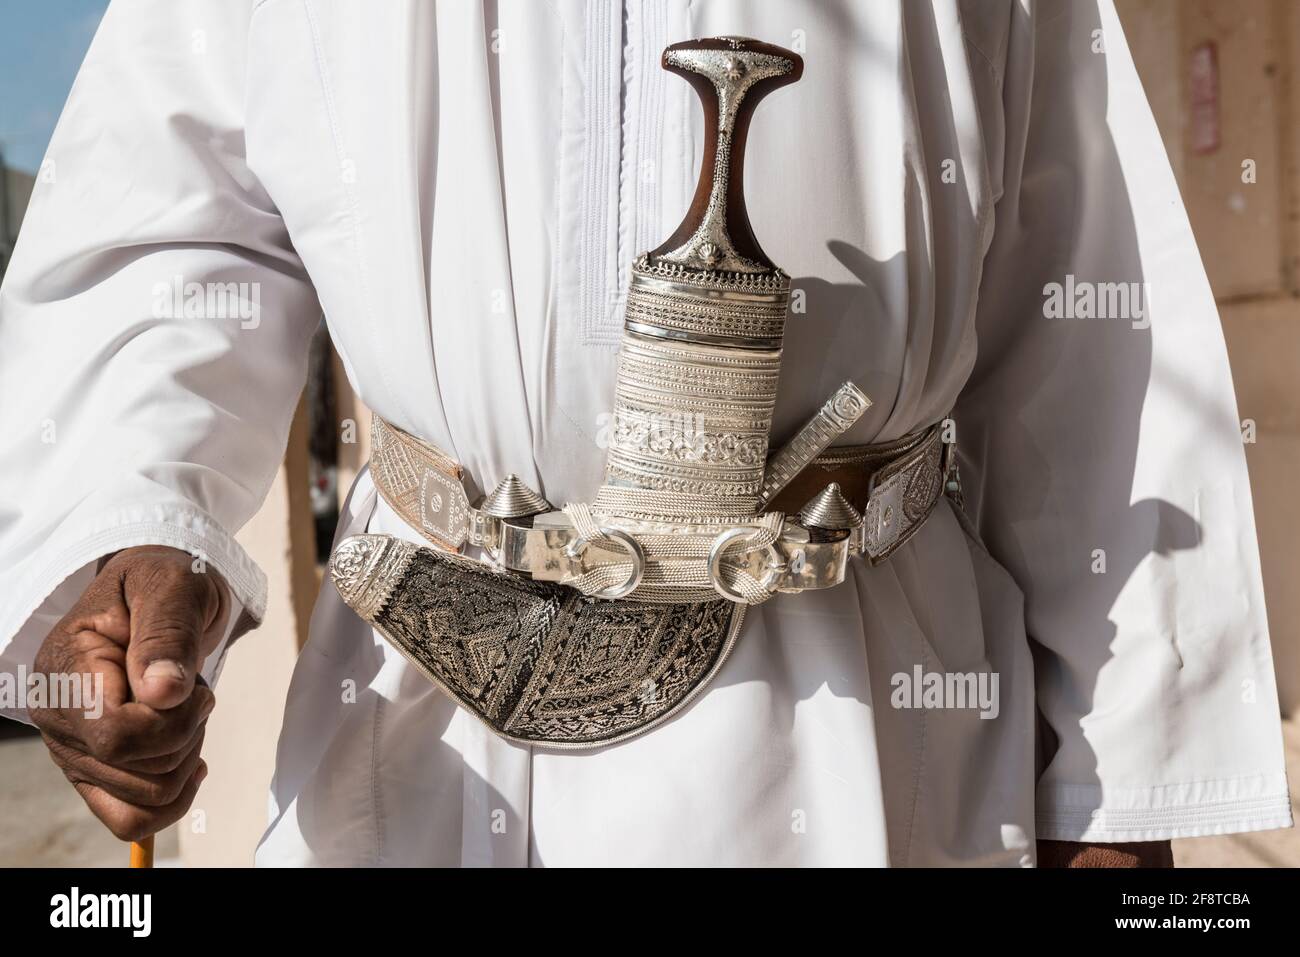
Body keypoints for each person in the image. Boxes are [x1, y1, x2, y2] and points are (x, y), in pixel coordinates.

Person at [0, 0, 1290, 867]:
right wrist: (136, 519)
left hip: (881, 722)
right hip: (433, 727)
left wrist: (1118, 780)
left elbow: (1076, 303)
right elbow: (180, 233)